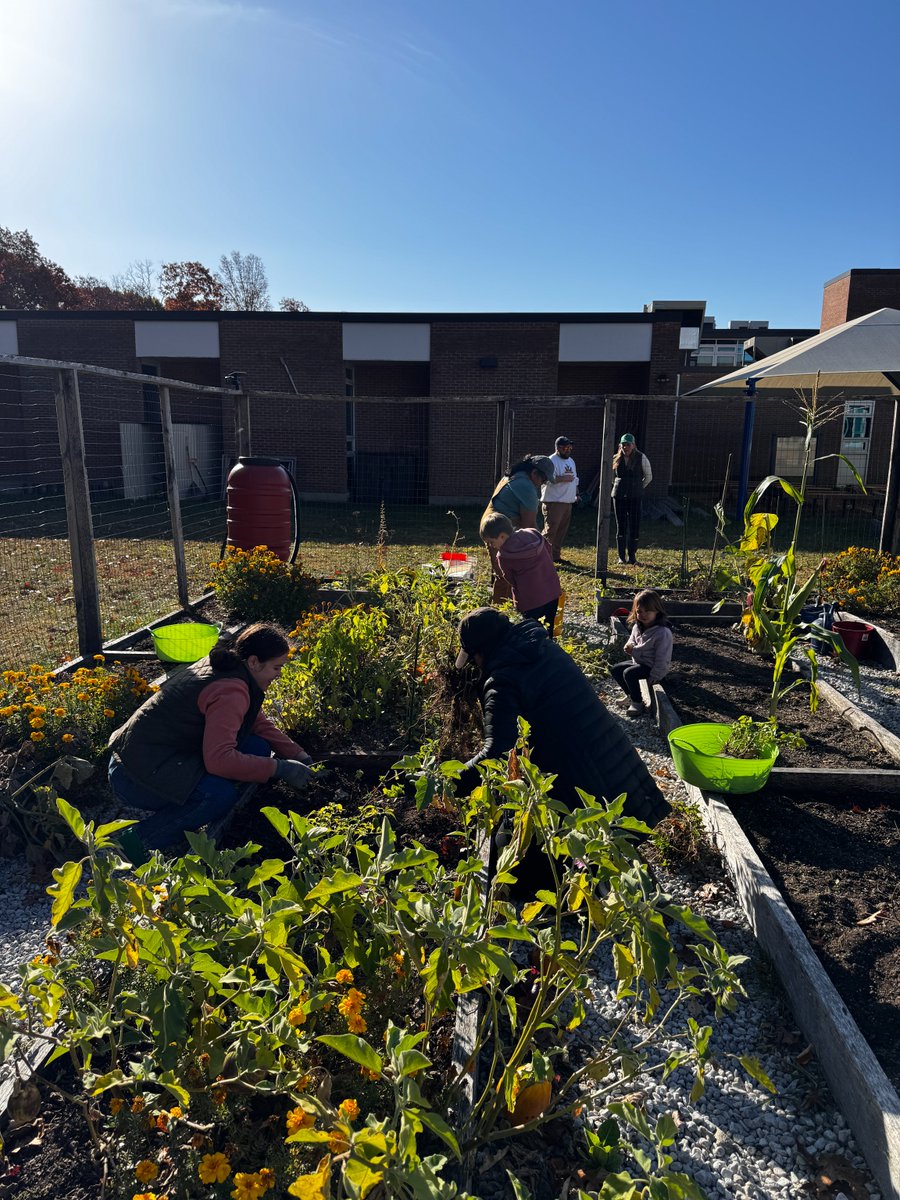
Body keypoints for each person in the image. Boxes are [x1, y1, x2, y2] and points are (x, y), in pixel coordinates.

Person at [108, 623, 314, 862]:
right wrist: (281, 768)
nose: (279, 674)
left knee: (257, 747)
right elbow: (219, 760)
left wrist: (299, 756)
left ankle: (197, 806)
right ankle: (139, 841)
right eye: (276, 667)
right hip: (134, 774)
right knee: (218, 796)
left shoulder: (232, 667)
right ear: (255, 662)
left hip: (158, 754)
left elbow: (257, 723)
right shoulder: (231, 690)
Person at [453, 608, 668, 835]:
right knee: (621, 835)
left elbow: (496, 752)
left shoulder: (503, 682)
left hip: (584, 776)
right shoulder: (542, 648)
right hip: (612, 757)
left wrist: (443, 782)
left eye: (473, 659)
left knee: (596, 847)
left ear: (482, 651)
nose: (476, 666)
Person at [482, 454, 557, 601]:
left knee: (504, 569)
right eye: (543, 480)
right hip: (498, 531)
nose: (542, 484)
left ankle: (506, 604)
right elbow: (529, 526)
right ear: (534, 473)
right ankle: (500, 613)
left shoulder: (515, 475)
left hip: (491, 524)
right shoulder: (526, 487)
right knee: (505, 575)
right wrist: (543, 546)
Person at [479, 511, 562, 634]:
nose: (492, 546)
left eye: (491, 542)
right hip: (552, 591)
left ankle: (534, 652)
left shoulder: (504, 556)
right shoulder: (533, 533)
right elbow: (548, 550)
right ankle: (548, 649)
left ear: (502, 536)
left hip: (530, 601)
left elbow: (510, 578)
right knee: (548, 626)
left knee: (532, 633)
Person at [611, 589, 673, 717]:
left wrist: (656, 675)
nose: (643, 615)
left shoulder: (662, 633)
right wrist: (629, 646)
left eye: (648, 611)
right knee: (616, 669)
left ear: (657, 610)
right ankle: (631, 695)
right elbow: (632, 640)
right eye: (639, 611)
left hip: (651, 666)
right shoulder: (638, 626)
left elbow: (664, 657)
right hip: (639, 662)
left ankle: (637, 703)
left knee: (629, 674)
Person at [611, 433, 652, 566]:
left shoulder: (641, 457)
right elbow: (611, 477)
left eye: (628, 444)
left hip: (635, 497)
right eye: (623, 444)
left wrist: (638, 487)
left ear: (633, 445)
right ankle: (621, 557)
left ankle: (632, 556)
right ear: (620, 446)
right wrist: (618, 486)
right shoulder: (615, 459)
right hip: (619, 497)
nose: (625, 447)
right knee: (621, 526)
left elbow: (648, 476)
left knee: (634, 525)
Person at [540, 435, 579, 563]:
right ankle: (541, 557)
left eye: (569, 447)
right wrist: (563, 478)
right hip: (554, 502)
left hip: (567, 502)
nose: (568, 450)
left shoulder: (571, 461)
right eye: (565, 448)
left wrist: (576, 493)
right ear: (558, 448)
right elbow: (545, 480)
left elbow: (575, 479)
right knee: (550, 531)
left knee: (561, 532)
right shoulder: (551, 461)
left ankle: (555, 557)